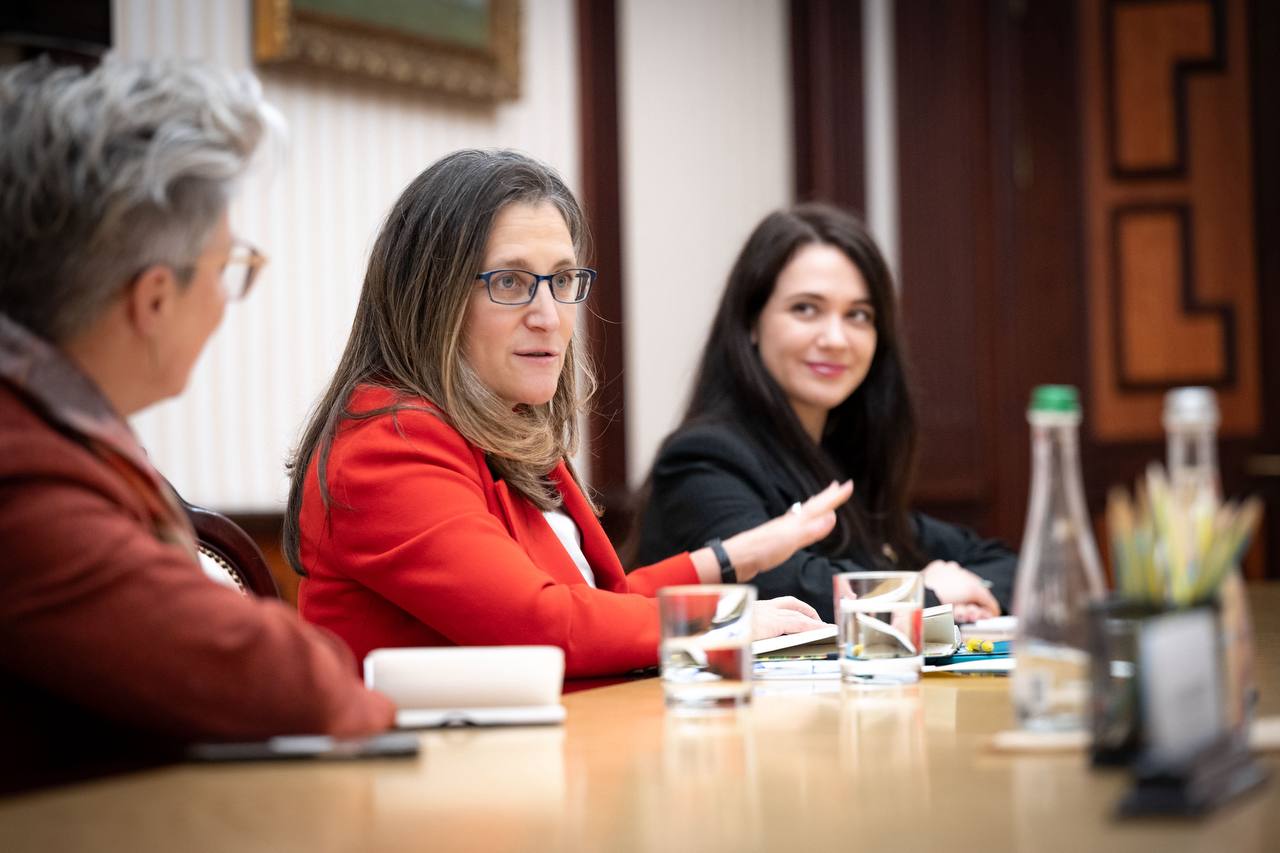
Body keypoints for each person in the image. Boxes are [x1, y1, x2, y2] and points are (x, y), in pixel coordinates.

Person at [285, 149, 851, 678]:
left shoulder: (503, 428)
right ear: (430, 297)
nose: (548, 315)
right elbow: (539, 624)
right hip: (435, 752)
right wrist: (724, 621)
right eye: (510, 282)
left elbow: (598, 604)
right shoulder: (388, 442)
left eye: (561, 280)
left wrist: (738, 556)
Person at [0, 58, 393, 792]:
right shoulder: (22, 474)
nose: (223, 299)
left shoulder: (52, 431)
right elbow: (292, 685)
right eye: (227, 268)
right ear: (153, 299)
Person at [630, 203, 1016, 624]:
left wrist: (962, 592)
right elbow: (788, 587)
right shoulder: (703, 457)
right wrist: (929, 593)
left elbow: (1006, 565)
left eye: (858, 315)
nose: (836, 339)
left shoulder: (842, 462)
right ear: (751, 322)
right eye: (806, 308)